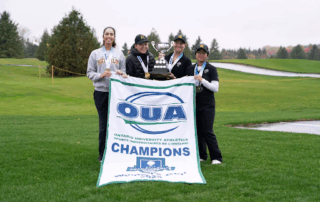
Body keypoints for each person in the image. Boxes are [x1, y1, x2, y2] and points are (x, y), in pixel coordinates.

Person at [87, 26, 127, 162]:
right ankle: (102, 154)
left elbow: (124, 72)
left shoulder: (120, 54)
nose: (109, 36)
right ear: (103, 37)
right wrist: (100, 75)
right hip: (101, 93)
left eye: (111, 34)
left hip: (116, 93)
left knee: (116, 123)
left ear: (114, 37)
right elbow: (89, 73)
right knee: (104, 124)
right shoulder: (95, 53)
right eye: (106, 34)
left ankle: (115, 152)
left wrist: (122, 73)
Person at [186, 43, 223, 165]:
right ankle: (202, 155)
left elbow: (215, 88)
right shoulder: (190, 68)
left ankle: (216, 157)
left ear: (207, 55)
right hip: (194, 104)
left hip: (207, 105)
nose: (201, 55)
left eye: (203, 53)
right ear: (195, 54)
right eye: (199, 52)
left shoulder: (211, 69)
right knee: (198, 131)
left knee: (207, 130)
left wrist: (202, 80)